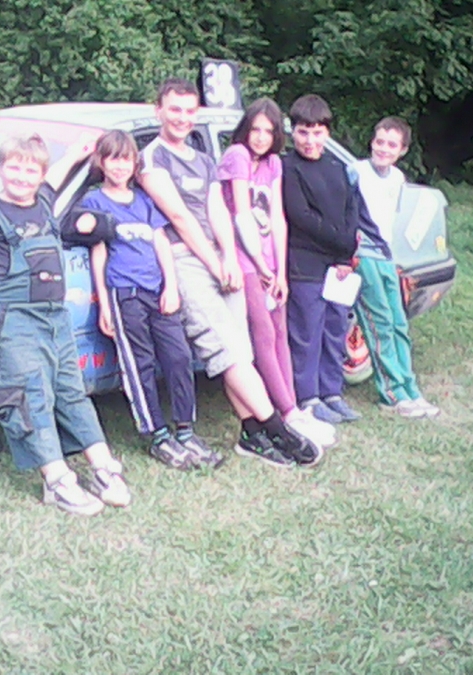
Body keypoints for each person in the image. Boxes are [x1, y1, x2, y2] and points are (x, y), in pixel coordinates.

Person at [139, 78, 319, 468]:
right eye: (174, 109)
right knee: (226, 349)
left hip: (220, 258)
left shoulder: (204, 159)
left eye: (189, 111)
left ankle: (251, 434)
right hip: (186, 259)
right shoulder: (151, 158)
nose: (182, 118)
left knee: (239, 350)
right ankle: (279, 430)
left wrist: (230, 258)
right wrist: (214, 262)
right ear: (158, 111)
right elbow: (179, 218)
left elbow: (216, 210)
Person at [0, 134, 132, 516]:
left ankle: (102, 467)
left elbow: (55, 178)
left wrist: (76, 154)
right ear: (0, 168)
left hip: (53, 317)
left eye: (31, 170)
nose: (22, 176)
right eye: (13, 167)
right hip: (8, 319)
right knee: (28, 396)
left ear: (40, 174)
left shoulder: (43, 202)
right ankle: (57, 480)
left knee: (71, 391)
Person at [69, 129, 222, 470]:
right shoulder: (95, 202)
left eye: (126, 159)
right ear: (101, 162)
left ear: (135, 163)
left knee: (179, 356)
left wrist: (171, 286)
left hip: (157, 290)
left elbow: (161, 242)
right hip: (125, 293)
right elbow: (98, 252)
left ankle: (185, 430)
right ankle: (157, 434)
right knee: (140, 363)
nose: (120, 166)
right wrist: (105, 303)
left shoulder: (143, 200)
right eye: (113, 159)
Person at [216, 98, 336, 450]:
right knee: (264, 334)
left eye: (268, 132)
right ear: (245, 129)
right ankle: (286, 412)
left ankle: (293, 408)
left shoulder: (273, 164)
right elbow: (241, 215)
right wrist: (261, 266)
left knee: (280, 333)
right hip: (245, 260)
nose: (260, 137)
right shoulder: (237, 155)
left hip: (270, 262)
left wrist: (280, 271)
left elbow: (278, 218)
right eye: (255, 129)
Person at [282, 94, 389, 425]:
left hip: (339, 265)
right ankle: (308, 398)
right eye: (303, 133)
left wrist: (346, 255)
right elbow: (300, 215)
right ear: (292, 132)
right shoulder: (288, 167)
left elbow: (351, 210)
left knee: (334, 330)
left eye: (317, 133)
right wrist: (343, 241)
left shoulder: (338, 167)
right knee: (307, 333)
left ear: (327, 132)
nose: (310, 141)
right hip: (304, 265)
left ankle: (331, 393)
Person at [352, 117, 440, 418]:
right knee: (380, 325)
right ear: (371, 142)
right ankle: (392, 395)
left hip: (387, 258)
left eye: (391, 145)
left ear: (402, 150)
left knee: (399, 324)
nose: (383, 149)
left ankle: (410, 389)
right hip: (363, 256)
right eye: (379, 142)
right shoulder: (356, 172)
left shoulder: (397, 179)